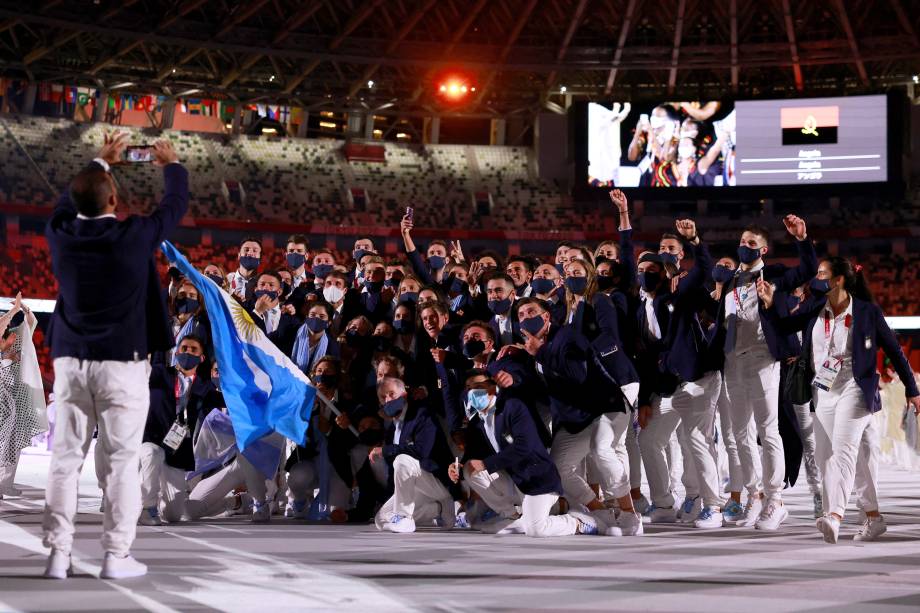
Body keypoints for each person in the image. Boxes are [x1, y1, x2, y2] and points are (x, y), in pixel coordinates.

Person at [43, 133, 188, 580]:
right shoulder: (133, 235)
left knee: (65, 460)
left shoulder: (61, 234)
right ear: (114, 198)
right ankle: (115, 555)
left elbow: (66, 204)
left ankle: (57, 556)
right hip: (122, 365)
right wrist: (171, 164)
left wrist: (100, 162)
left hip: (70, 361)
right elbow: (173, 206)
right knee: (121, 461)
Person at [757, 257, 920, 543]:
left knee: (843, 451)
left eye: (821, 273)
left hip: (856, 387)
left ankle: (834, 515)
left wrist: (912, 389)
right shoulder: (815, 308)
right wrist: (769, 305)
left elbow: (895, 350)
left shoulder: (867, 312)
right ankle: (873, 518)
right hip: (822, 389)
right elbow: (783, 327)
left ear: (839, 279)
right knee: (834, 456)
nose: (815, 278)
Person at [715, 217, 815, 531]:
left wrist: (802, 238)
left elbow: (807, 270)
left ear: (763, 249)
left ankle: (775, 500)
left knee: (767, 429)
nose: (744, 247)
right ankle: (753, 495)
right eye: (742, 242)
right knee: (740, 433)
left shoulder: (774, 275)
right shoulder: (730, 280)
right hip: (733, 360)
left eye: (751, 244)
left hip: (762, 358)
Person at [452, 370, 607, 537]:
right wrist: (457, 468)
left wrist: (486, 464)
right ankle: (512, 515)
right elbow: (472, 455)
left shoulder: (513, 406)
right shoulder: (476, 422)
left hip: (537, 479)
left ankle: (578, 522)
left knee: (536, 530)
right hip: (514, 481)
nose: (472, 392)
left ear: (492, 388)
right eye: (468, 388)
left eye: (478, 386)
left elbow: (524, 446)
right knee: (470, 469)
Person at [139, 335, 210, 525]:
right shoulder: (159, 373)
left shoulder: (205, 385)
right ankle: (147, 507)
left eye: (193, 350)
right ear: (176, 352)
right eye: (184, 348)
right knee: (152, 454)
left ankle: (161, 498)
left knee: (173, 515)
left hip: (177, 449)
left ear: (201, 358)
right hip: (152, 439)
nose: (187, 352)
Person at [372, 376, 456, 533]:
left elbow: (421, 451)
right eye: (383, 397)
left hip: (434, 480)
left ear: (404, 394)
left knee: (402, 460)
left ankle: (405, 518)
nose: (388, 399)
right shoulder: (391, 428)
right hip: (413, 486)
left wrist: (386, 450)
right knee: (381, 519)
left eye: (391, 394)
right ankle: (437, 510)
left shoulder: (422, 414)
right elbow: (393, 472)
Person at [0, 294, 48, 498]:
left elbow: (29, 326)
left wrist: (25, 310)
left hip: (15, 399)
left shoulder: (17, 340)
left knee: (13, 442)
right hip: (3, 399)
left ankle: (4, 484)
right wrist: (14, 310)